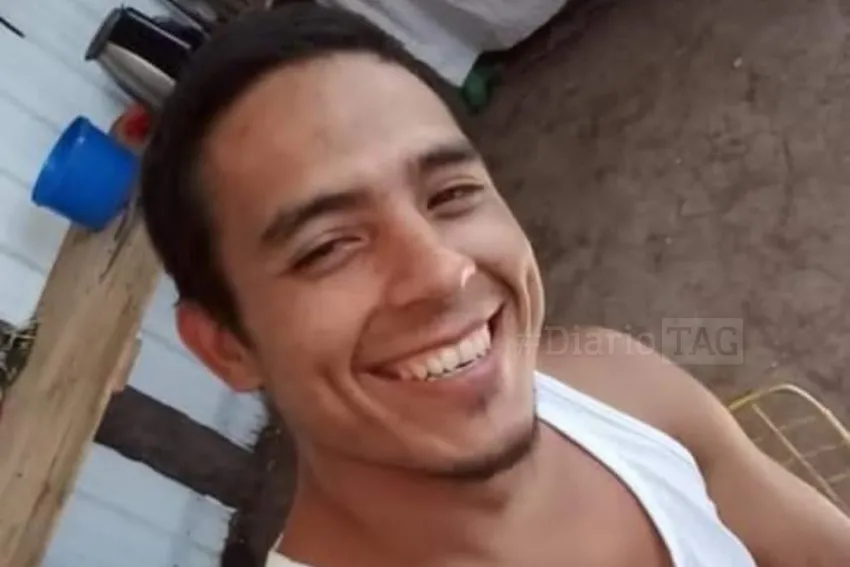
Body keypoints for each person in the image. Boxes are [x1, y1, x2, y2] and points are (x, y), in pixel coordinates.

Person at [139, 5, 850, 567]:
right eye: (327, 246)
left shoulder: (617, 386)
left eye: (450, 194)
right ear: (227, 346)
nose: (443, 270)